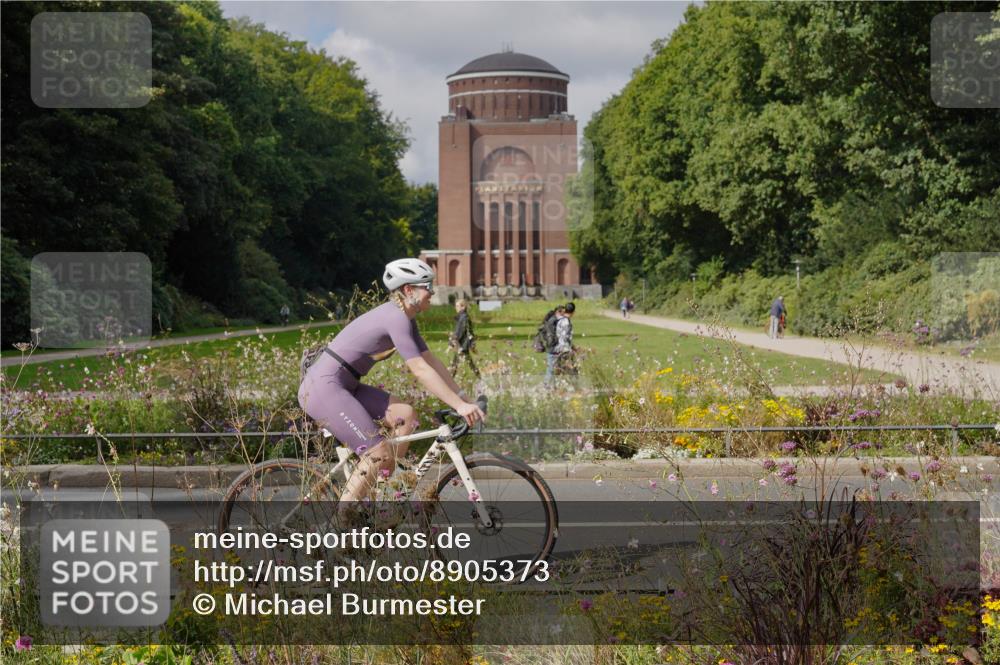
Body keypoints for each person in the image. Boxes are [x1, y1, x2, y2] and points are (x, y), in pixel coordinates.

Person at [298, 258, 486, 509]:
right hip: (324, 387)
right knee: (377, 454)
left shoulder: (406, 319)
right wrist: (459, 407)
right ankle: (342, 528)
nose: (432, 291)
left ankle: (384, 496)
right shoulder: (396, 318)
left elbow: (432, 362)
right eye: (427, 286)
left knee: (406, 415)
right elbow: (419, 369)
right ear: (409, 290)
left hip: (345, 385)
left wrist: (462, 398)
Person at [448, 299, 480, 379]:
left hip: (462, 344)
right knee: (467, 363)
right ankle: (479, 377)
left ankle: (450, 380)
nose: (456, 308)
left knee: (456, 363)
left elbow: (460, 332)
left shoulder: (464, 318)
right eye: (456, 306)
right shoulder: (462, 317)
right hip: (463, 344)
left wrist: (452, 342)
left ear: (463, 307)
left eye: (457, 306)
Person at [545, 302, 575, 384]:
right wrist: (568, 350)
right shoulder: (566, 322)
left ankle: (554, 387)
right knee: (570, 369)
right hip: (562, 349)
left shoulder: (560, 319)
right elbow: (564, 338)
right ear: (573, 312)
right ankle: (573, 387)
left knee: (554, 370)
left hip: (556, 348)